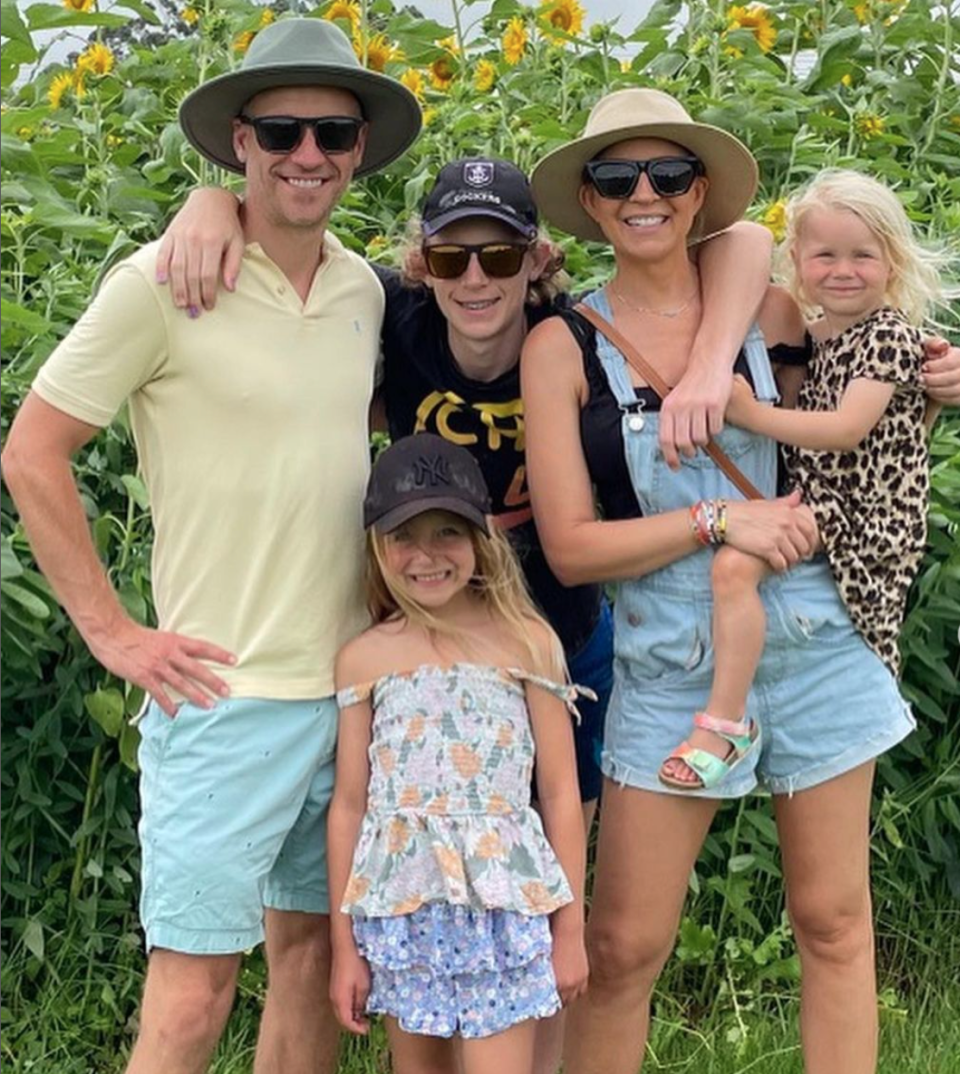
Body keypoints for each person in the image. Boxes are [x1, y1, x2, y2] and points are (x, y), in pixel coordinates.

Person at [1, 18, 421, 1074]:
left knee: (314, 957)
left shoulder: (364, 291)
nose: (307, 155)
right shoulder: (160, 283)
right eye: (280, 131)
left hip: (346, 691)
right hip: (220, 698)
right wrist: (111, 632)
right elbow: (32, 453)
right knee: (191, 998)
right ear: (240, 141)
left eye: (331, 133)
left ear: (360, 148)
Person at [520, 87, 949, 1074]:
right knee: (626, 946)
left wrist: (937, 379)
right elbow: (573, 547)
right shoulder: (564, 346)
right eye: (617, 177)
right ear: (588, 200)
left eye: (669, 174)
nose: (644, 194)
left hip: (812, 636)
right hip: (670, 656)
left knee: (834, 923)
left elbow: (860, 403)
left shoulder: (770, 307)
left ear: (699, 190)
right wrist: (714, 517)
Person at [660, 168, 946, 790]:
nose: (842, 270)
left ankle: (728, 722)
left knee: (734, 568)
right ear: (798, 260)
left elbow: (847, 430)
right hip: (827, 498)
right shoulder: (818, 335)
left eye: (862, 257)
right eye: (824, 255)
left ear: (892, 264)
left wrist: (747, 411)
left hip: (866, 511)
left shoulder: (889, 337)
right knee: (737, 568)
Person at [327, 433, 589, 1074]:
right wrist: (344, 946)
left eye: (448, 532)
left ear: (481, 539)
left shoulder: (527, 643)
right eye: (405, 536)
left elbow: (559, 794)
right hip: (406, 915)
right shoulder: (364, 658)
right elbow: (350, 804)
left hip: (502, 916)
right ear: (377, 546)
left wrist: (571, 929)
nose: (427, 556)